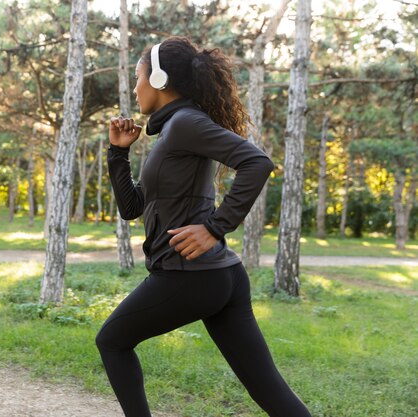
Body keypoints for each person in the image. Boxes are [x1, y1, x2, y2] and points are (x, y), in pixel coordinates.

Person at [95, 36, 312, 417]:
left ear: (159, 79)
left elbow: (256, 163)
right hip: (219, 277)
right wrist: (118, 152)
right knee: (269, 390)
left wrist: (214, 227)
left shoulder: (185, 123)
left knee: (112, 341)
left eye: (138, 76)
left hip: (188, 275)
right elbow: (132, 207)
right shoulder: (175, 129)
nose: (135, 87)